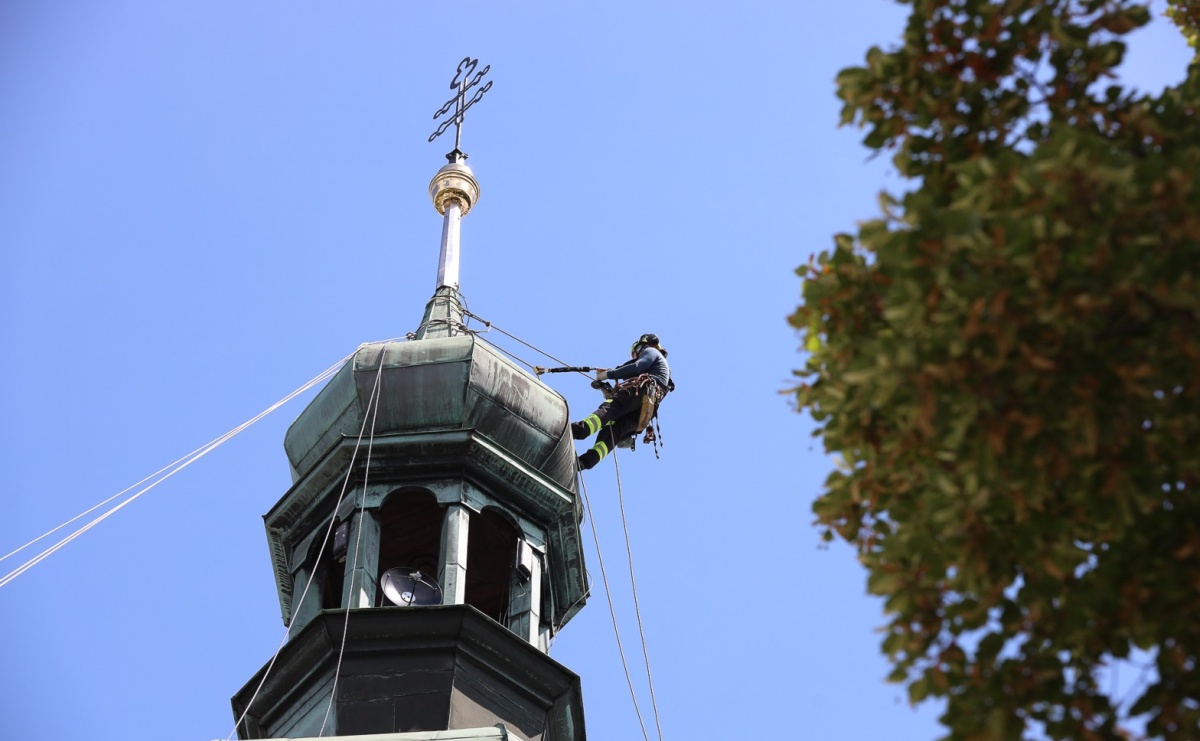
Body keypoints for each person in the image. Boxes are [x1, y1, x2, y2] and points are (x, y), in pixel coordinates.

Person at [571, 333, 672, 471]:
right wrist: (607, 390)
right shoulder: (661, 371)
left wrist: (608, 374)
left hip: (640, 393)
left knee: (609, 410)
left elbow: (636, 367)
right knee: (612, 431)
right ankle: (583, 463)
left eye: (637, 351)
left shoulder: (651, 351)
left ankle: (577, 431)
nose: (637, 355)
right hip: (643, 414)